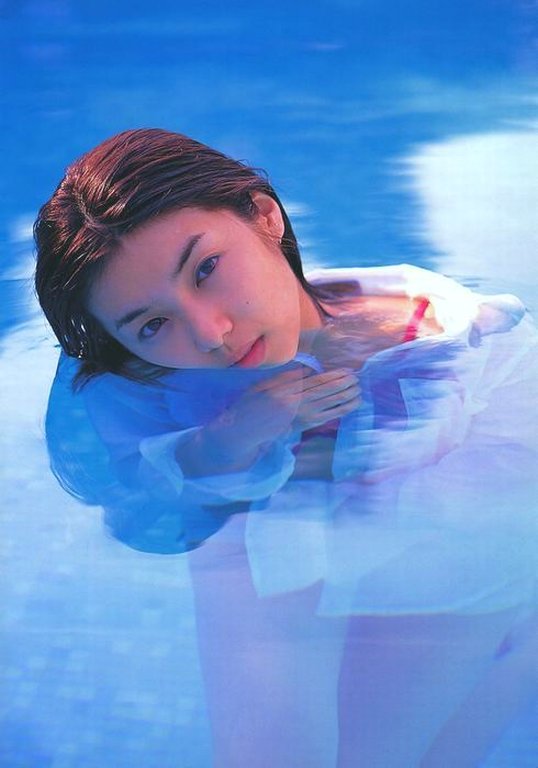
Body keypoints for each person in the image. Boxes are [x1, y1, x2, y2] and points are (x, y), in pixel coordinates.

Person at [35, 129, 537, 767]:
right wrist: (228, 439)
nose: (211, 332)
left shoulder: (464, 344)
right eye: (153, 324)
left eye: (206, 268)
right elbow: (131, 502)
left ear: (265, 216)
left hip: (443, 565)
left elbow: (502, 517)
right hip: (266, 550)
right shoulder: (148, 385)